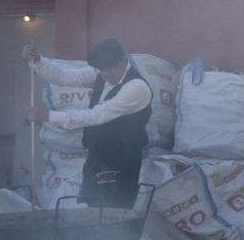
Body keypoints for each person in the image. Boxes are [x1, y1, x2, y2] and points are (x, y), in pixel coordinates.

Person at [24, 39, 152, 209]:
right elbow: (65, 77)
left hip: (123, 160)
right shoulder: (99, 74)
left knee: (114, 210)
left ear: (123, 61)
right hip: (97, 157)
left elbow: (96, 116)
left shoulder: (137, 87)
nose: (106, 74)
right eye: (101, 69)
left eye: (110, 69)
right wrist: (39, 60)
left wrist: (48, 116)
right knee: (92, 209)